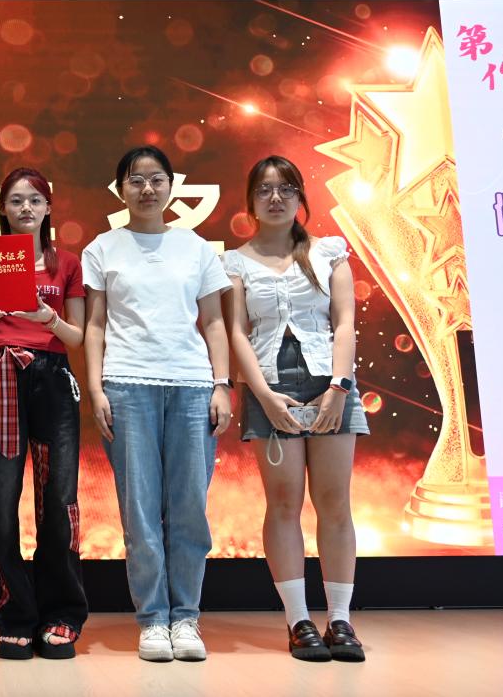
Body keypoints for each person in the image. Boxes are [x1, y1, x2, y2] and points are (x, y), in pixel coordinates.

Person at [82, 145, 233, 663]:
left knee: (189, 508)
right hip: (127, 386)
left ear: (171, 185)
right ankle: (152, 620)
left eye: (156, 179)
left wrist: (221, 384)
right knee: (141, 511)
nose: (147, 189)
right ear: (120, 189)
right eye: (135, 180)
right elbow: (95, 326)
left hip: (191, 387)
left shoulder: (195, 247)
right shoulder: (103, 248)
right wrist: (97, 389)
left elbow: (214, 322)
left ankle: (186, 617)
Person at [223, 155, 368, 663]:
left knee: (335, 503)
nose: (276, 198)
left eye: (286, 188)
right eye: (265, 190)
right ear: (250, 201)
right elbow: (237, 332)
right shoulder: (235, 262)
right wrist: (262, 395)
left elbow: (344, 323)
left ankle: (341, 619)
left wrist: (339, 388)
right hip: (271, 387)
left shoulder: (329, 252)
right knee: (283, 504)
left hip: (331, 385)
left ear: (300, 197)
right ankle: (298, 620)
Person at [0, 167, 88, 660]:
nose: (26, 208)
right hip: (0, 376)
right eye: (16, 200)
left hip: (52, 377)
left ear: (48, 207)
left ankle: (62, 614)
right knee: (1, 499)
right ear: (2, 208)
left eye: (35, 200)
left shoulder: (66, 263)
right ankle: (14, 615)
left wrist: (47, 318)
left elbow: (77, 337)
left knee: (58, 499)